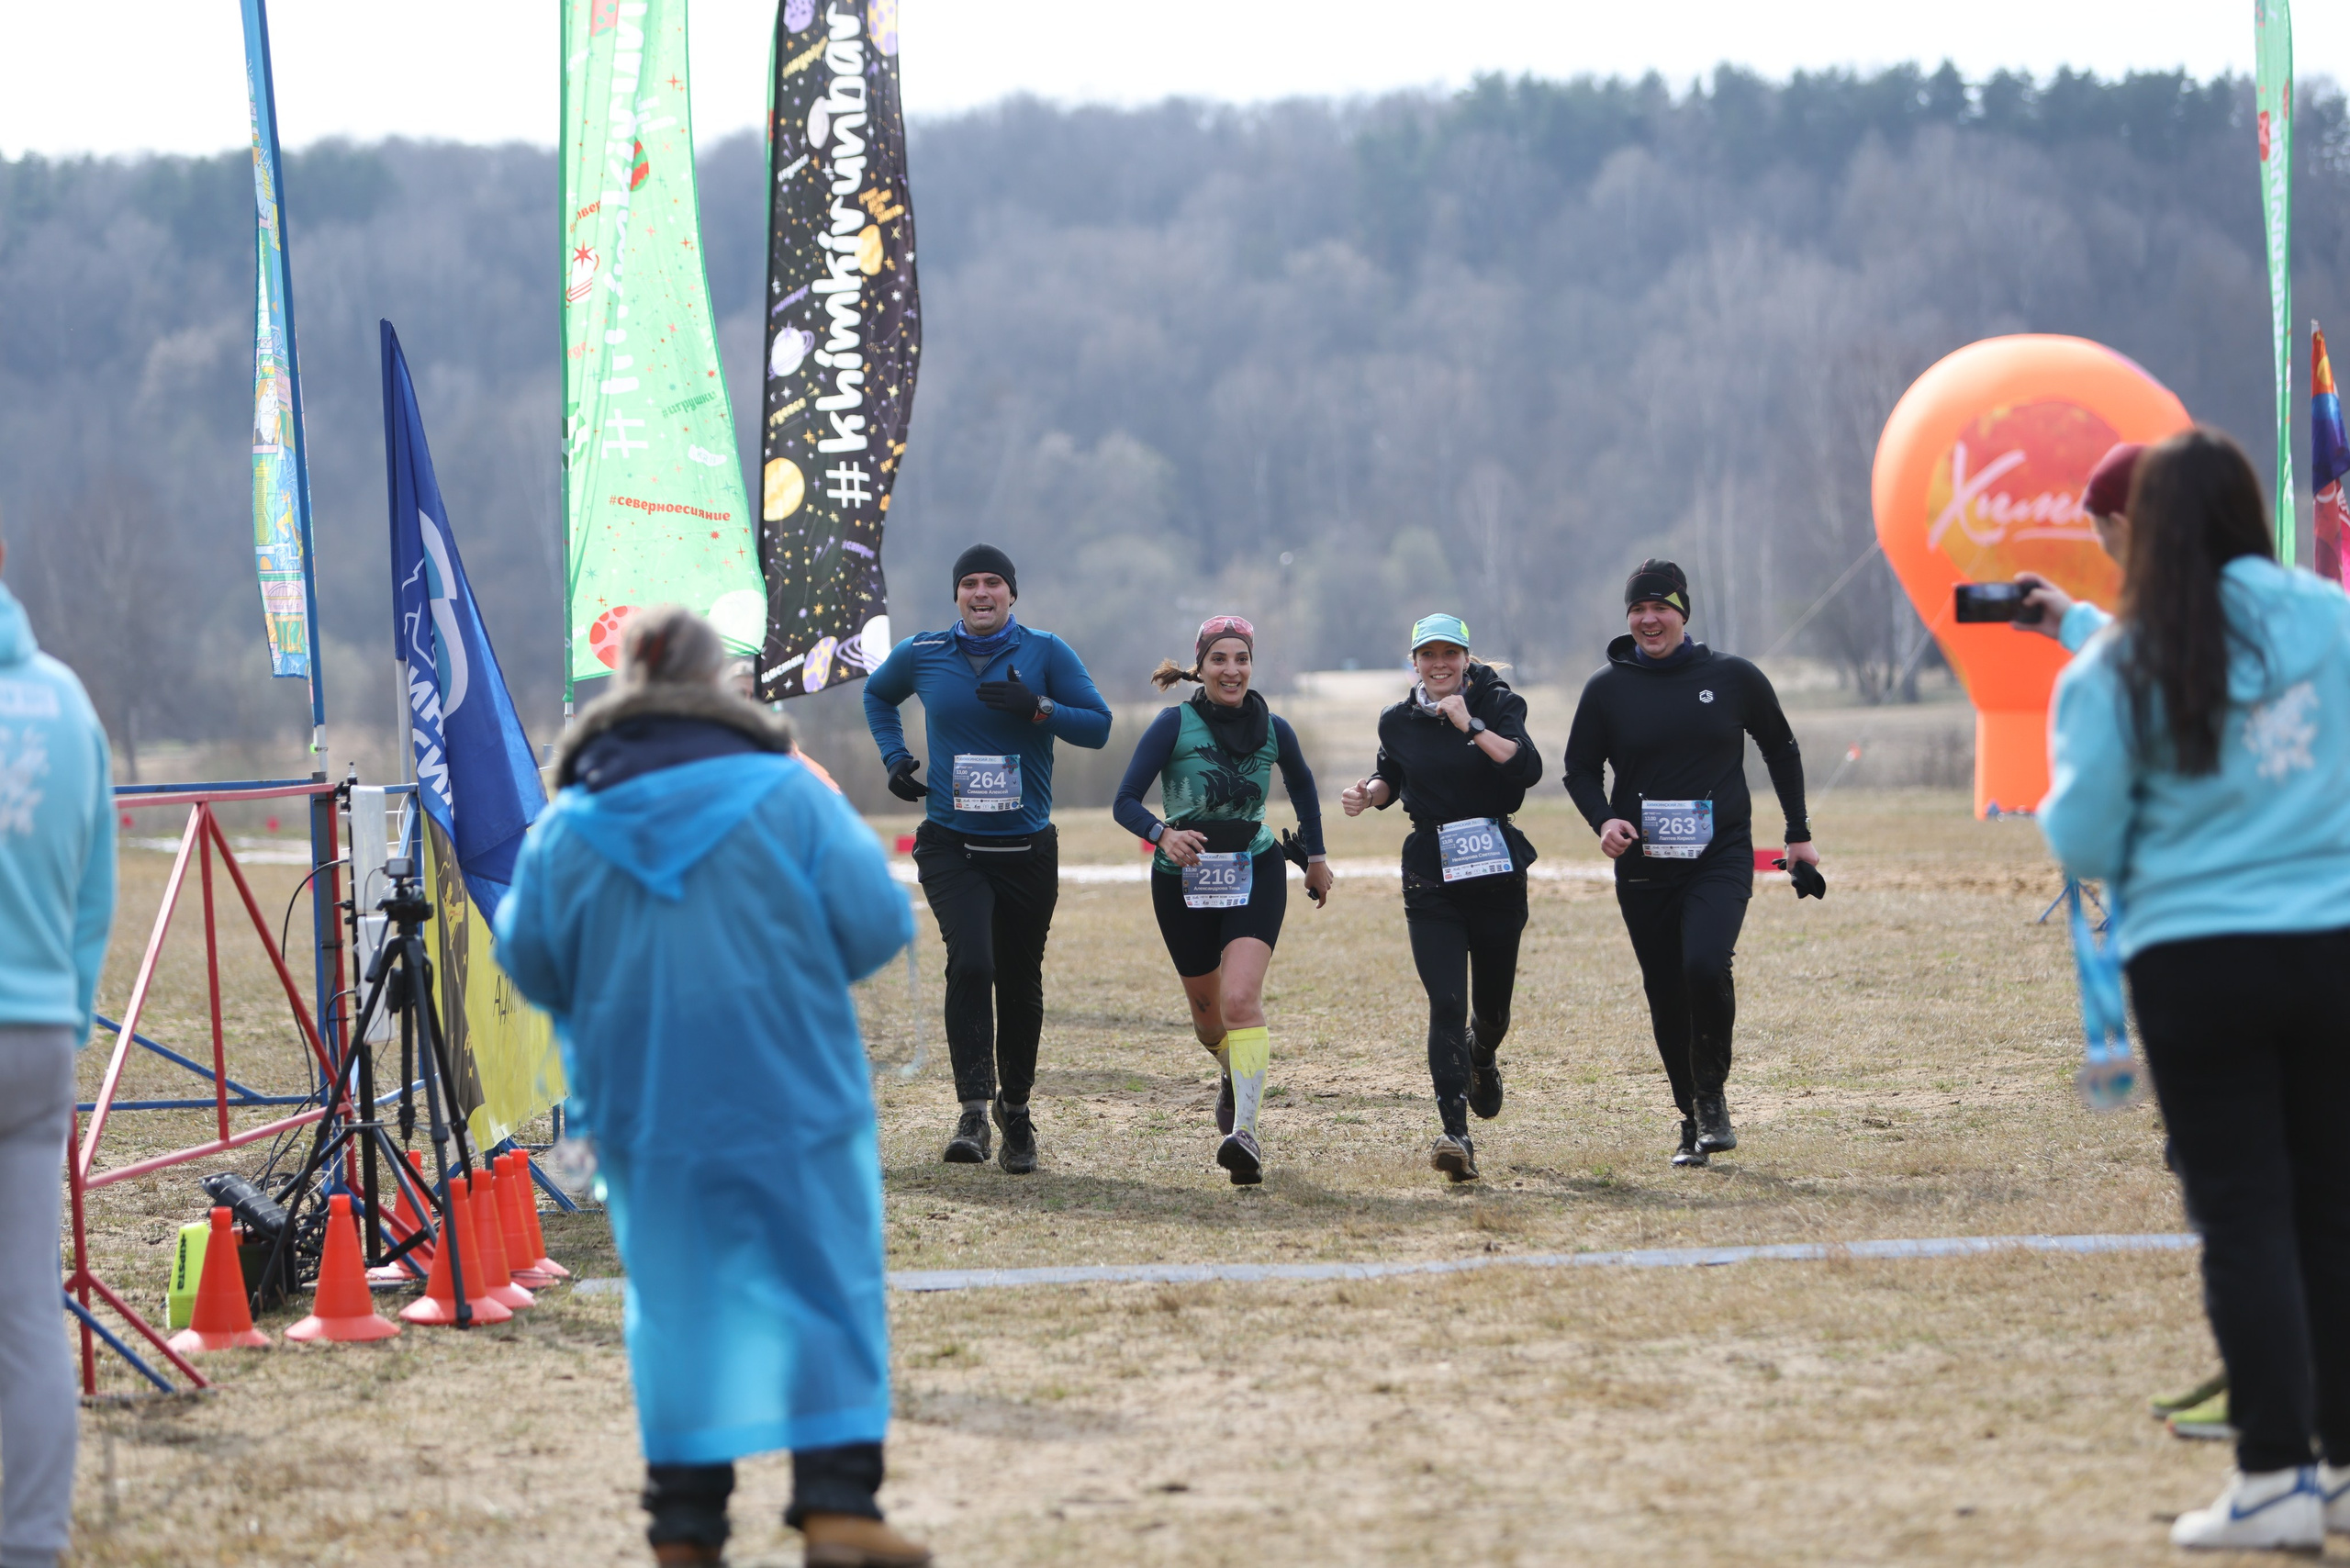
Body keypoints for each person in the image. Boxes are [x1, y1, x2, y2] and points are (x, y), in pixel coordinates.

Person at [496, 607, 926, 1568]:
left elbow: (528, 957)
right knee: (825, 1279)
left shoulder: (570, 825)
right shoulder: (790, 794)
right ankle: (837, 1500)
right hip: (794, 1088)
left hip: (647, 1104)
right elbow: (872, 922)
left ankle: (684, 1528)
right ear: (720, 685)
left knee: (677, 1301)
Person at [2041, 428, 2350, 1552]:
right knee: (2331, 1207)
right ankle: (2339, 1462)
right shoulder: (2334, 620)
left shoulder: (2120, 662)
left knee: (2242, 1214)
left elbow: (2081, 833)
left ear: (2149, 526)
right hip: (2335, 940)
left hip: (2197, 958)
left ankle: (2271, 1474)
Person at [862, 545, 1112, 1173]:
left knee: (1021, 981)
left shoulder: (1046, 652)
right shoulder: (923, 653)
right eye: (969, 583)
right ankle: (973, 1110)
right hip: (952, 845)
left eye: (993, 582)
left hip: (1027, 848)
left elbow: (1099, 726)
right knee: (972, 962)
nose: (981, 592)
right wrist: (894, 756)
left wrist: (1039, 708)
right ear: (956, 595)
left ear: (1011, 593)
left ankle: (1015, 1110)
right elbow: (877, 695)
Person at [1562, 560, 1817, 1168]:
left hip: (1719, 854)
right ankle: (1689, 1116)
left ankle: (1711, 1097)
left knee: (1704, 964)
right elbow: (1579, 769)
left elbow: (1780, 748)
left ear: (1683, 614)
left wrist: (1798, 834)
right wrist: (1604, 820)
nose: (1649, 620)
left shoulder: (1732, 677)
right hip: (1644, 864)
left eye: (1661, 608)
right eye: (1638, 610)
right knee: (1665, 990)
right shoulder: (1606, 688)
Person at [1113, 615, 1334, 1185]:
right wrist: (1162, 834)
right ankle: (1233, 1071)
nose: (1231, 670)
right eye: (1219, 659)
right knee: (1210, 1023)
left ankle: (1247, 1135)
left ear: (1251, 665)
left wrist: (1315, 857)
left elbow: (1303, 785)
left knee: (1239, 1000)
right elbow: (1125, 801)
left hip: (1254, 868)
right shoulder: (1173, 724)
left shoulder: (1275, 727)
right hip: (1181, 880)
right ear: (1201, 667)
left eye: (1241, 659)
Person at [0, 540, 114, 1568]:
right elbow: (95, 890)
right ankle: (30, 1540)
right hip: (34, 1034)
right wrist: (66, 1012)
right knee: (28, 1310)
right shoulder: (68, 705)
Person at [1338, 614, 1541, 1182]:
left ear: (1466, 658)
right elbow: (1392, 774)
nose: (1439, 664)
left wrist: (1469, 724)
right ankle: (1456, 1135)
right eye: (1428, 655)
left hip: (1495, 872)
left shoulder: (1498, 703)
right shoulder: (1397, 720)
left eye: (1450, 653)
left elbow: (1526, 767)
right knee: (1447, 1004)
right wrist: (1369, 793)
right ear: (1415, 662)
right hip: (1431, 873)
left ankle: (1482, 1055)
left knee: (1492, 1014)